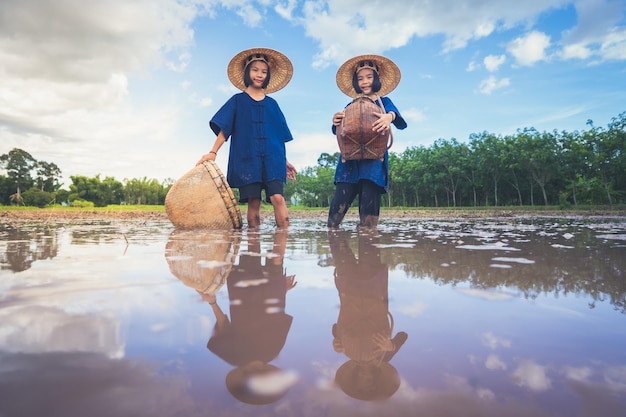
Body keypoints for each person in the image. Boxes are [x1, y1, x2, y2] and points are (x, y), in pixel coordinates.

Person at [197, 48, 297, 229]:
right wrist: (213, 152)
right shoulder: (237, 101)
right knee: (254, 201)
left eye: (264, 71)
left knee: (277, 198)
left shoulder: (273, 104)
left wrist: (285, 161)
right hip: (248, 159)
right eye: (255, 70)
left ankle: (281, 250)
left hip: (274, 159)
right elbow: (224, 129)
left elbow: (279, 136)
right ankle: (253, 249)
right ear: (247, 72)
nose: (259, 74)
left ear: (268, 76)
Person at [328, 55, 408, 229]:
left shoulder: (383, 102)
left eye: (369, 77)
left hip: (373, 161)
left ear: (377, 79)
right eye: (360, 78)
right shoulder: (351, 105)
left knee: (368, 212)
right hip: (349, 162)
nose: (365, 82)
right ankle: (333, 231)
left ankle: (368, 236)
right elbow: (339, 131)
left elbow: (396, 116)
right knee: (338, 207)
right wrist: (335, 121)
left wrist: (389, 116)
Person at [328, 230, 408, 401]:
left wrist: (336, 341)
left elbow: (335, 328)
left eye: (362, 381)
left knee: (337, 245)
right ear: (375, 379)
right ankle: (369, 219)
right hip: (375, 291)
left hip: (349, 293)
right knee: (368, 242)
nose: (365, 378)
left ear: (356, 378)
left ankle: (335, 227)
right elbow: (403, 336)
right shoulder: (385, 356)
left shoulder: (347, 352)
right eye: (369, 381)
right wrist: (391, 345)